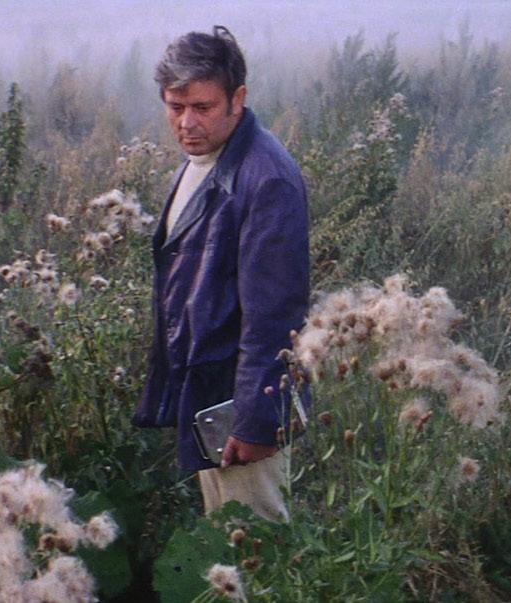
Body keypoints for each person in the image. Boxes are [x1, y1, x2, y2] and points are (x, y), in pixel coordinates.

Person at [132, 26, 310, 523]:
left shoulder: (266, 178)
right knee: (224, 534)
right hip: (208, 393)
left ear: (238, 98)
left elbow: (276, 316)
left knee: (255, 536)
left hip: (239, 400)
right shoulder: (201, 162)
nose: (187, 123)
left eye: (202, 107)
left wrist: (257, 422)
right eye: (175, 107)